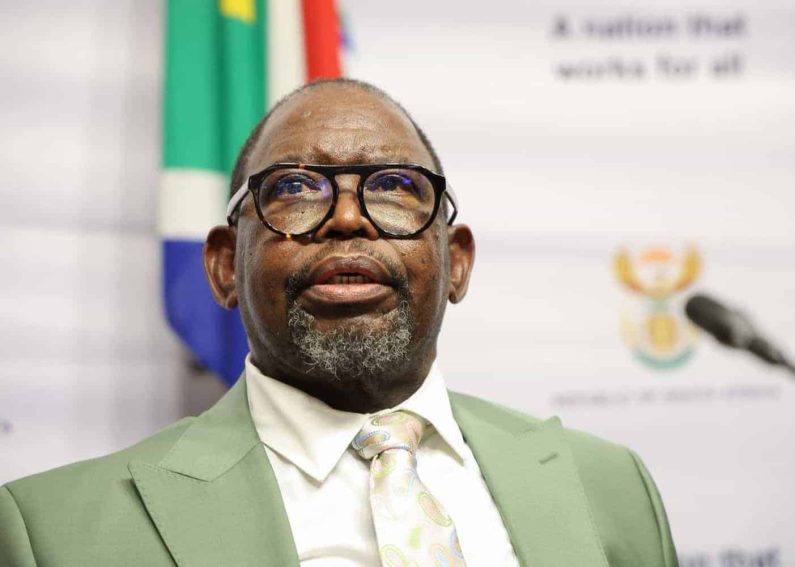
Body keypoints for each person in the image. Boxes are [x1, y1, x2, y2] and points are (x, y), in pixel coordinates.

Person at [0, 79, 678, 566]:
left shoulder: (609, 485)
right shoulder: (51, 534)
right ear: (225, 266)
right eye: (294, 187)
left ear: (457, 262)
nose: (348, 218)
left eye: (396, 186)